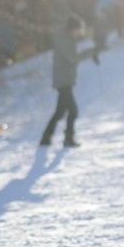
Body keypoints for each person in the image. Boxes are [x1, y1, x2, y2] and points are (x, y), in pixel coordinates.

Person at [40, 15, 98, 148]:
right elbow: (73, 58)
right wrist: (90, 53)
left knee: (60, 112)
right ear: (74, 28)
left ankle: (46, 137)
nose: (80, 32)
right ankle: (68, 138)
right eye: (79, 29)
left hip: (64, 80)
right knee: (73, 110)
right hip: (63, 80)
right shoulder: (65, 39)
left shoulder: (67, 38)